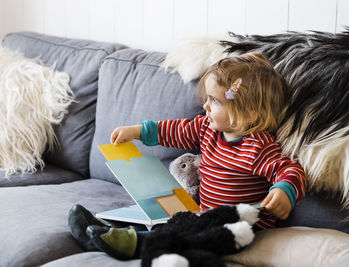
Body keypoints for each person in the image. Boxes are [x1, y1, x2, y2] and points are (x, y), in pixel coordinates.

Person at [68, 52, 306, 263]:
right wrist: (138, 131)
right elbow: (175, 130)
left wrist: (285, 191)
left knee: (181, 234)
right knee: (175, 222)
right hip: (203, 215)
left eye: (215, 101)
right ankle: (105, 231)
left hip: (239, 227)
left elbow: (289, 170)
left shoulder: (258, 147)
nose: (205, 106)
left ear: (247, 113)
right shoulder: (207, 129)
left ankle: (129, 243)